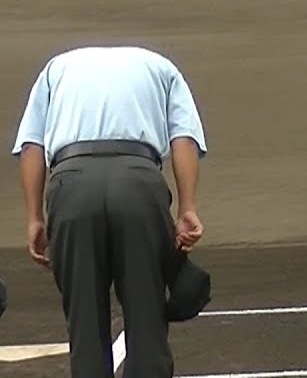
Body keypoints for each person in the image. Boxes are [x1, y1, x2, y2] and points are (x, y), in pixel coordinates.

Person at [13, 46, 208, 378]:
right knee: (147, 313)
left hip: (71, 185)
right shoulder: (161, 67)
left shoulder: (56, 68)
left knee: (84, 321)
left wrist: (35, 218)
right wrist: (187, 208)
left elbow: (32, 145)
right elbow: (183, 138)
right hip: (138, 182)